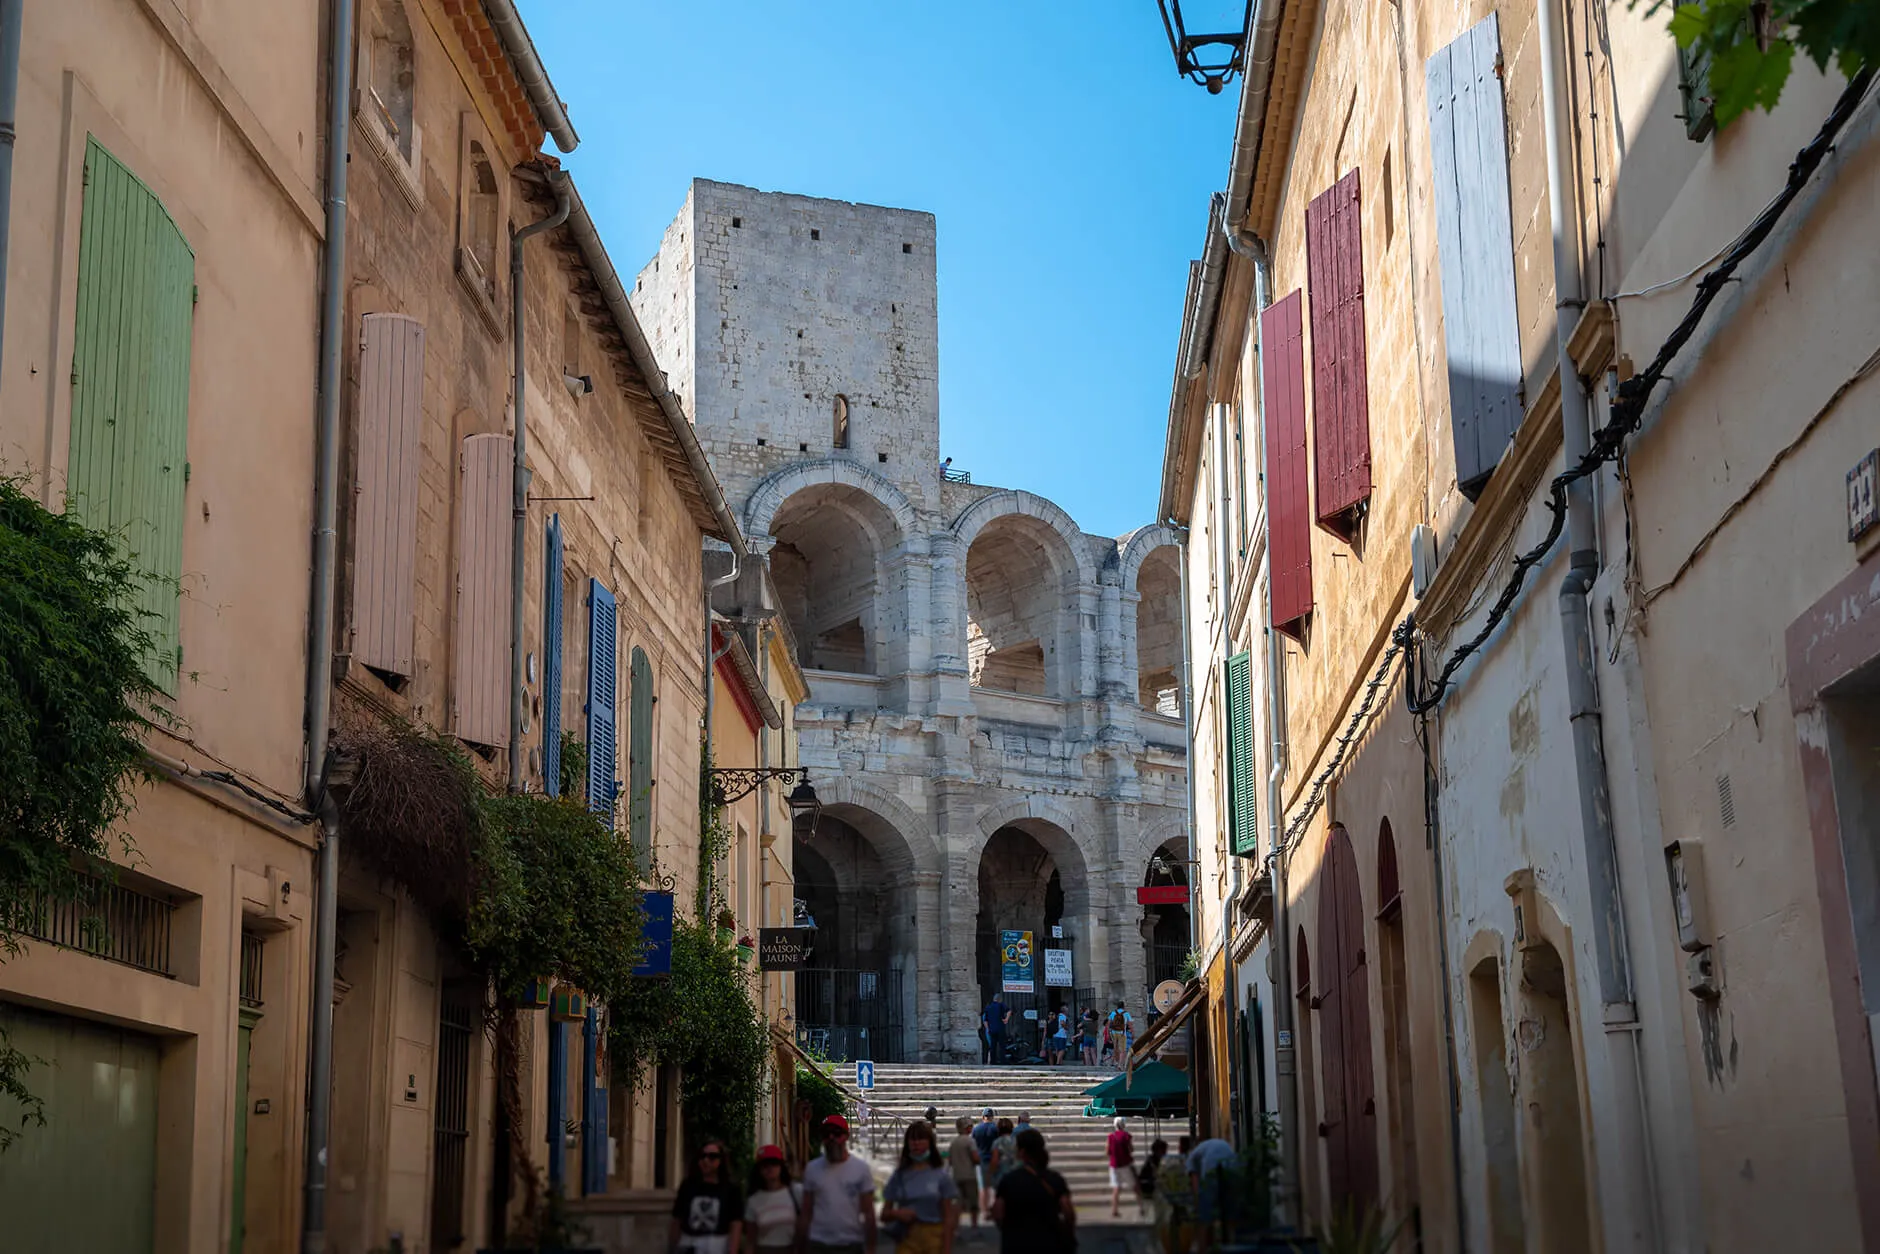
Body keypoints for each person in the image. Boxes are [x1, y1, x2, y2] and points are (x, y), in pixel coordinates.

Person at [799, 1114, 878, 1254]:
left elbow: (869, 1213)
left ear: (846, 1136)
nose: (831, 1138)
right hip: (818, 1245)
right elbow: (806, 1211)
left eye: (836, 1133)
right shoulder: (812, 1169)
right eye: (826, 1134)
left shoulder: (861, 1169)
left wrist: (871, 1248)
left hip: (851, 1244)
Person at [879, 1120, 960, 1254]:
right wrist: (897, 1213)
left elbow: (948, 1218)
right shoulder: (899, 1176)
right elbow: (884, 1214)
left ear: (930, 1143)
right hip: (907, 1239)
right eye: (913, 1139)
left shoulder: (941, 1176)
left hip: (934, 1238)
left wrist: (946, 1249)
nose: (916, 1143)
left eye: (921, 1139)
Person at [992, 1127, 1076, 1254]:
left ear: (1022, 1152)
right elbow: (1068, 1212)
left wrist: (1009, 1229)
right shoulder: (1055, 1179)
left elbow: (998, 1213)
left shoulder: (1009, 1180)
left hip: (1016, 1244)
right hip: (1049, 1243)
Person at [670, 1140, 744, 1254]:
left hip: (717, 1246)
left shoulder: (731, 1189)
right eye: (702, 1156)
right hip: (688, 1245)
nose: (706, 1161)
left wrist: (732, 1250)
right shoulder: (688, 1186)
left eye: (712, 1157)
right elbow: (677, 1218)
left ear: (721, 1161)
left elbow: (735, 1224)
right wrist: (674, 1247)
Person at [742, 1144, 803, 1253]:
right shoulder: (754, 1200)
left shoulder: (796, 1192)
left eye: (774, 1164)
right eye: (765, 1165)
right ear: (759, 1169)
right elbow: (750, 1240)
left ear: (781, 1166)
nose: (770, 1168)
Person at [1187, 1136, 1238, 1250]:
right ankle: (1232, 1244)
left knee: (1205, 1215)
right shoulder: (1209, 1145)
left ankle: (1203, 1248)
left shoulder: (1191, 1157)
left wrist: (1197, 1200)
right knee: (1230, 1210)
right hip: (1231, 1162)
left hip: (1212, 1166)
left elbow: (1195, 1181)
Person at [947, 1116, 982, 1230]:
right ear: (967, 1128)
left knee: (958, 1203)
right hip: (969, 1175)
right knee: (973, 1203)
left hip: (957, 1175)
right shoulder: (970, 1141)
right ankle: (974, 1226)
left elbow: (950, 1161)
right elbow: (976, 1158)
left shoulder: (954, 1142)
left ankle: (957, 1227)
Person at [1106, 1115, 1136, 1218]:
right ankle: (1142, 1206)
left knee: (1116, 1188)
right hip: (1125, 1164)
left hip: (1114, 1164)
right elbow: (1131, 1149)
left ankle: (1114, 1210)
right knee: (1135, 1186)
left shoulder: (1111, 1136)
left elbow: (1108, 1151)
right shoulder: (1126, 1136)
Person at [971, 1109, 1000, 1213]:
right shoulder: (996, 1129)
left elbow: (972, 1145)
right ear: (992, 1117)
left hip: (981, 1159)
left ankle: (984, 1210)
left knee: (983, 1187)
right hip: (993, 1159)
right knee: (994, 1186)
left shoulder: (976, 1129)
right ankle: (994, 1209)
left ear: (983, 1117)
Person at [988, 1118, 1019, 1200]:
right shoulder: (1016, 1142)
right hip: (1015, 1175)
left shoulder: (997, 1142)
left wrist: (991, 1172)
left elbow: (994, 1160)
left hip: (1001, 1175)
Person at [982, 996, 1011, 1065]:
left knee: (993, 1046)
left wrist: (988, 1029)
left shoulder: (988, 1007)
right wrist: (1006, 1019)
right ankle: (1002, 1061)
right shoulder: (1001, 1005)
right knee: (1002, 1046)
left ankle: (993, 1061)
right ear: (999, 1000)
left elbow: (985, 1020)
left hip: (992, 1029)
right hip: (1000, 1028)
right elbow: (1009, 1011)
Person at [1107, 1002, 1134, 1069]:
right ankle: (1120, 1064)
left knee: (1115, 1048)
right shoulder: (1126, 1013)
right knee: (1123, 1050)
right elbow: (1130, 1024)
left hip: (1113, 1032)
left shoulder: (1113, 1013)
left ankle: (1116, 1062)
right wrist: (1133, 1033)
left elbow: (1108, 1024)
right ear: (1123, 1006)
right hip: (1122, 1033)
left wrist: (1108, 1034)